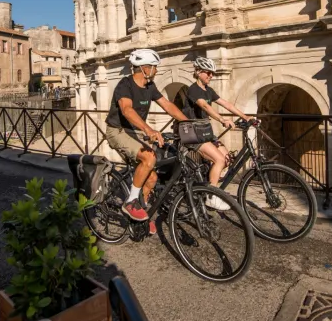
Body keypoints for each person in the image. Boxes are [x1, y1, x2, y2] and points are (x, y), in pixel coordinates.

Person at [105, 48, 189, 233]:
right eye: (154, 67)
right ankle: (131, 202)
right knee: (149, 158)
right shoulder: (124, 85)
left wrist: (188, 122)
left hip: (134, 131)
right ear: (145, 68)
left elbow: (167, 105)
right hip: (117, 130)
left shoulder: (150, 87)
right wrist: (148, 129)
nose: (156, 70)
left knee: (152, 177)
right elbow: (127, 110)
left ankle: (139, 212)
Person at [184, 56, 254, 211]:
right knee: (219, 160)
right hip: (193, 134)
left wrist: (246, 117)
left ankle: (207, 185)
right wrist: (223, 120)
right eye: (207, 73)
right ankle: (211, 196)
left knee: (227, 159)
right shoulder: (193, 90)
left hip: (205, 133)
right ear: (198, 72)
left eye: (212, 74)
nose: (211, 76)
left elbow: (226, 104)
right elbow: (205, 107)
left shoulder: (208, 90)